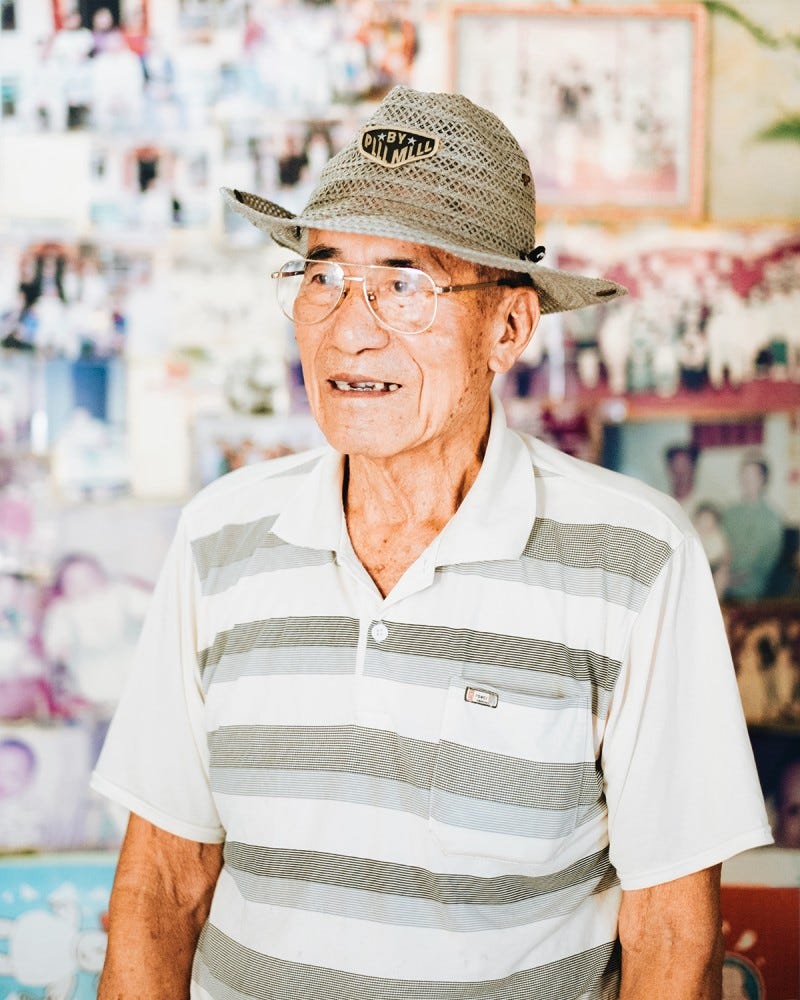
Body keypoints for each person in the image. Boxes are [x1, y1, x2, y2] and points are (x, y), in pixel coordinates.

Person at [93, 87, 771, 999]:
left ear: (508, 327)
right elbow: (159, 885)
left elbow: (669, 926)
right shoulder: (222, 536)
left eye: (405, 284)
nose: (351, 329)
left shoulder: (635, 558)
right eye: (323, 276)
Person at [722, 455, 785, 599]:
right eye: (744, 474)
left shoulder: (771, 519)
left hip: (752, 585)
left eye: (752, 475)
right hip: (724, 578)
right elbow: (721, 545)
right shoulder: (730, 512)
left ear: (763, 480)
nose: (747, 480)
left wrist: (731, 578)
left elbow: (758, 561)